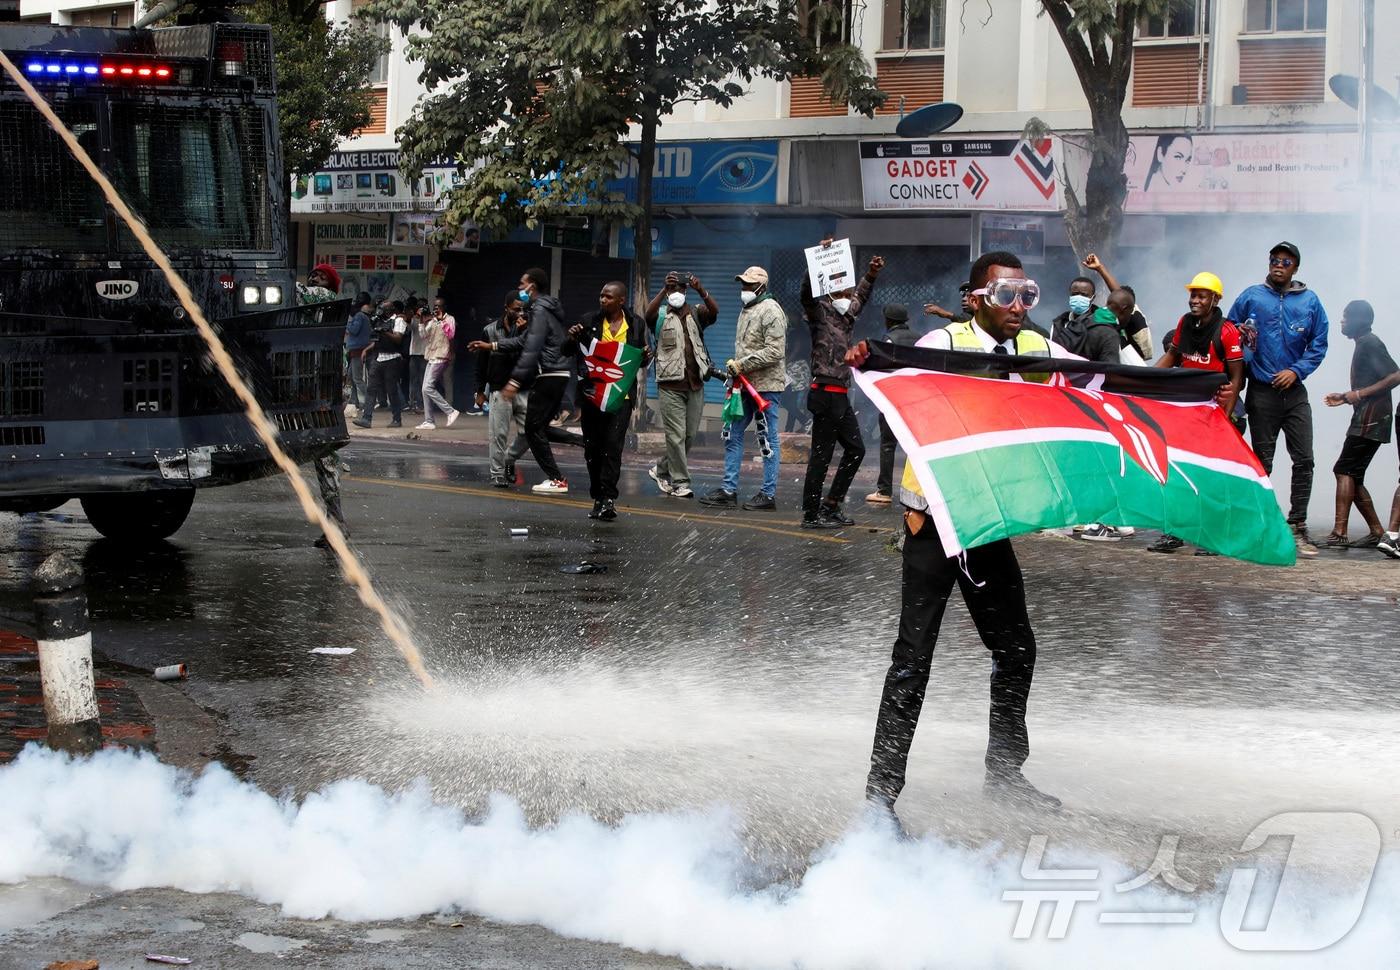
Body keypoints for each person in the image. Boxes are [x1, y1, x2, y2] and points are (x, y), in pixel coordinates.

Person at [850, 251, 1064, 829]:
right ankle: (879, 797)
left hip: (987, 523)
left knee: (1017, 650)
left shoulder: (1035, 351)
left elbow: (1101, 381)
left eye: (1027, 294)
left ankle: (1004, 774)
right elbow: (893, 376)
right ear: (975, 300)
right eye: (1005, 295)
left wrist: (1188, 391)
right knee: (912, 660)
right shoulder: (943, 342)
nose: (1018, 306)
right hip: (933, 521)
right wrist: (867, 357)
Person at [1227, 242, 1329, 558]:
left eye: (1286, 261)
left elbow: (1319, 343)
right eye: (1274, 260)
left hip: (1295, 393)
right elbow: (1229, 333)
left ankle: (1297, 525)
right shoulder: (1250, 297)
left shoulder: (1310, 301)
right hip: (1261, 391)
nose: (1279, 265)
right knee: (1261, 462)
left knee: (1305, 460)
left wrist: (1296, 371)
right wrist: (1237, 379)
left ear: (1295, 267)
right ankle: (1257, 526)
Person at [1147, 272, 1247, 556]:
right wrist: (1141, 380)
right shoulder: (1184, 324)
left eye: (1202, 296)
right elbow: (1172, 357)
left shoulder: (1227, 331)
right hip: (1188, 409)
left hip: (1217, 409)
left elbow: (1237, 376)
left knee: (1210, 476)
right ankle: (1175, 532)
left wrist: (1225, 415)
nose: (1195, 301)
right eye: (1193, 295)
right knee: (1178, 471)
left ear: (1215, 299)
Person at [799, 242, 884, 528]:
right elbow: (806, 295)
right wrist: (818, 263)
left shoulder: (847, 315)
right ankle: (811, 515)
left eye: (849, 291)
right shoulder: (820, 312)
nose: (847, 296)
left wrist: (871, 274)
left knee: (856, 449)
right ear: (830, 291)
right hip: (824, 393)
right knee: (821, 457)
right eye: (841, 291)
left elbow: (862, 295)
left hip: (840, 396)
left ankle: (831, 505)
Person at [486, 267, 581, 494]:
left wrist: (515, 381)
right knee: (537, 428)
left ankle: (557, 478)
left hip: (548, 375)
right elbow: (522, 341)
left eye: (522, 284)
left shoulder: (539, 309)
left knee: (532, 429)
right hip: (559, 375)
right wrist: (492, 345)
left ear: (532, 286)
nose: (520, 288)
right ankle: (583, 441)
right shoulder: (547, 310)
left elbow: (531, 347)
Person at [699, 266, 786, 510]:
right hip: (744, 386)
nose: (743, 289)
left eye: (748, 285)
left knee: (767, 441)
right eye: (742, 284)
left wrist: (742, 364)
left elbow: (775, 351)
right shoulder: (747, 309)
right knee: (732, 434)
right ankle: (729, 489)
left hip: (765, 388)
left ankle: (768, 494)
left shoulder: (771, 311)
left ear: (761, 287)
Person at [568, 282, 651, 521]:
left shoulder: (636, 324)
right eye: (601, 296)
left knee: (613, 447)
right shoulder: (589, 320)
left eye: (608, 297)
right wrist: (572, 337)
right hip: (593, 394)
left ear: (621, 300)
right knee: (593, 449)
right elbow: (568, 351)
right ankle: (597, 493)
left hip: (621, 396)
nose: (602, 300)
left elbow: (639, 361)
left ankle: (608, 498)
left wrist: (646, 356)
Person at [1321, 301, 1400, 549]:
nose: (1342, 321)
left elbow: (1396, 375)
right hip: (1369, 415)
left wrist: (1359, 395)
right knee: (1354, 473)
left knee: (1344, 469)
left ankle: (1339, 531)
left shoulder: (1370, 342)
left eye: (1346, 317)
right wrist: (1346, 397)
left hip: (1372, 417)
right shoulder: (1364, 343)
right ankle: (1376, 530)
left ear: (1359, 320)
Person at [646, 271, 718, 500]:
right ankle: (681, 482)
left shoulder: (696, 313)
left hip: (695, 384)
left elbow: (714, 312)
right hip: (670, 386)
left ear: (686, 291)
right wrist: (662, 289)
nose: (676, 293)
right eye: (672, 290)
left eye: (680, 289)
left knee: (689, 436)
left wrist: (701, 289)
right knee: (676, 436)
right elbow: (647, 314)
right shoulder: (660, 315)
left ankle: (660, 469)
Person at [297, 267, 349, 548]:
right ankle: (335, 522)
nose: (314, 277)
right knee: (323, 457)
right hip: (322, 388)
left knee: (326, 459)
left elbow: (294, 290)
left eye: (322, 275)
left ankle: (338, 524)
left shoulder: (322, 297)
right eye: (313, 273)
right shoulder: (317, 308)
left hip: (325, 390)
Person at [473, 292, 533, 488]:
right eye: (516, 309)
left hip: (523, 389)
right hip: (499, 389)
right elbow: (481, 364)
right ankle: (497, 473)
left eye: (523, 309)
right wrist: (480, 390)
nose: (520, 313)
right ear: (506, 308)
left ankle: (509, 459)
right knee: (498, 434)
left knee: (529, 432)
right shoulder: (490, 331)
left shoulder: (528, 330)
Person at [867, 304, 919, 505]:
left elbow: (883, 367)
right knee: (915, 447)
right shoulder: (920, 338)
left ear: (888, 320)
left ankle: (884, 491)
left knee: (888, 445)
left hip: (894, 398)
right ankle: (918, 492)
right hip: (916, 398)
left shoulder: (889, 340)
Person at [1082, 253, 1152, 360]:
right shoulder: (1099, 319)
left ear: (1128, 308)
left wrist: (1100, 268)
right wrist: (1099, 268)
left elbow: (1141, 358)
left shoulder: (1136, 321)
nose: (1111, 308)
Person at [353, 300, 407, 429]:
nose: (379, 311)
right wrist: (367, 349)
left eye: (382, 309)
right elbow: (376, 339)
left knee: (391, 390)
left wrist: (385, 331)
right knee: (371, 389)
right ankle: (366, 419)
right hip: (378, 357)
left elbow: (398, 338)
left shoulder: (398, 321)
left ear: (389, 310)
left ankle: (397, 419)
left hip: (392, 359)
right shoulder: (379, 321)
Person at [415, 297, 459, 431]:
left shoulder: (450, 319)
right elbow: (423, 335)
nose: (436, 308)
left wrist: (441, 321)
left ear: (444, 307)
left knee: (428, 387)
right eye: (435, 306)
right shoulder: (432, 320)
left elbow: (450, 334)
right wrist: (422, 321)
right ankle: (429, 421)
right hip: (431, 356)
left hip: (441, 356)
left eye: (439, 306)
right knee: (424, 389)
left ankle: (450, 411)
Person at [344, 292, 373, 415]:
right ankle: (354, 402)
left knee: (357, 379)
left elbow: (354, 330)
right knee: (351, 377)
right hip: (356, 351)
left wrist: (347, 322)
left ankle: (368, 402)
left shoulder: (359, 316)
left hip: (357, 351)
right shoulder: (363, 316)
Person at [405, 302, 428, 413]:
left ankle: (422, 404)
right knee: (413, 380)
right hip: (414, 353)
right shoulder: (413, 319)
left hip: (424, 354)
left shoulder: (430, 319)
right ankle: (413, 403)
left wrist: (424, 318)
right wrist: (415, 317)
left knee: (423, 380)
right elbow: (409, 329)